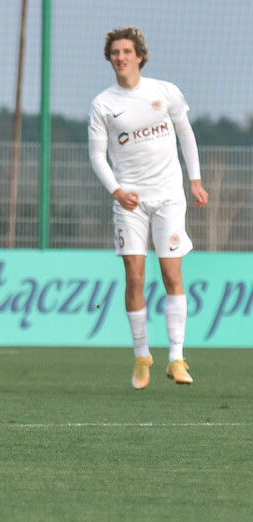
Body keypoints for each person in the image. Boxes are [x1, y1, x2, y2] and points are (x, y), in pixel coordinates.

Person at [88, 26, 208, 389]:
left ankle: (176, 357)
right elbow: (97, 156)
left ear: (140, 55)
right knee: (135, 277)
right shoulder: (103, 104)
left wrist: (196, 180)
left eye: (126, 52)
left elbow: (185, 133)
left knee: (172, 275)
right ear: (109, 58)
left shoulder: (164, 92)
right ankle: (142, 355)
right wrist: (117, 191)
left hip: (169, 196)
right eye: (115, 53)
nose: (120, 58)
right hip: (131, 203)